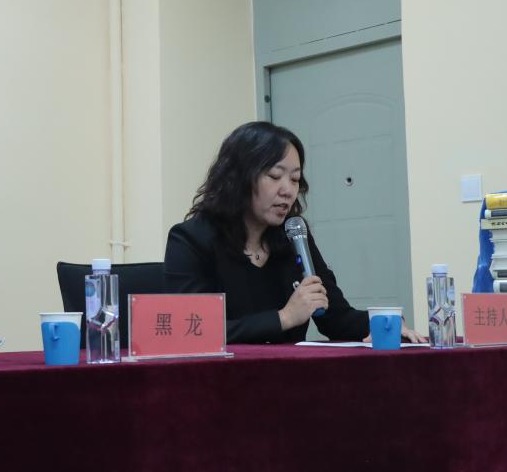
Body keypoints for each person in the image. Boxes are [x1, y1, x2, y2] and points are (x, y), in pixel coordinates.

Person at [164, 121, 426, 345]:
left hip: (288, 377)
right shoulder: (191, 240)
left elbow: (334, 317)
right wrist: (285, 318)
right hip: (219, 380)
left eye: (295, 179)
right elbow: (194, 330)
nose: (288, 191)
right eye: (274, 176)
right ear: (238, 179)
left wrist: (382, 322)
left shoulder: (293, 236)